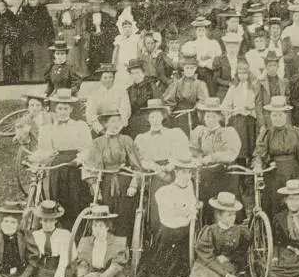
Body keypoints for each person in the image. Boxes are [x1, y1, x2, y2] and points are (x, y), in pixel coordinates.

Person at [81, 111, 144, 244]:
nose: (115, 125)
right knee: (105, 215)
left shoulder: (126, 140)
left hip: (125, 183)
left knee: (125, 216)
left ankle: (124, 247)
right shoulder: (98, 142)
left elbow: (137, 165)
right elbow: (91, 167)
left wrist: (134, 184)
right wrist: (94, 187)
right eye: (112, 121)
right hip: (105, 184)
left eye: (118, 121)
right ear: (105, 124)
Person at [34, 88, 92, 230]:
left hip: (74, 167)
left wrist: (78, 160)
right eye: (59, 108)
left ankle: (77, 233)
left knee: (76, 200)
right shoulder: (48, 129)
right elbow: (44, 150)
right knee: (58, 200)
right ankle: (60, 231)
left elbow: (89, 149)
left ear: (71, 109)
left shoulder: (80, 126)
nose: (62, 112)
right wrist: (37, 160)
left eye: (65, 108)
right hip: (57, 168)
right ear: (55, 109)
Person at [138, 154, 199, 277]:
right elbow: (167, 217)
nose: (187, 176)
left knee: (184, 235)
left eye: (189, 172)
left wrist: (189, 214)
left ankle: (180, 269)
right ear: (176, 172)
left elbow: (191, 208)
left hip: (186, 226)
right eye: (183, 172)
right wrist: (184, 216)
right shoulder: (165, 192)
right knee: (167, 234)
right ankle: (162, 272)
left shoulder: (190, 188)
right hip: (170, 226)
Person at [59, 205, 129, 277]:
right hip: (91, 275)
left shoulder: (117, 243)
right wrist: (82, 275)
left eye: (101, 226)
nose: (97, 229)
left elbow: (116, 266)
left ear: (107, 227)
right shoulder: (86, 242)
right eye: (95, 226)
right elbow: (83, 262)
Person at [183, 191, 251, 277]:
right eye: (229, 215)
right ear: (219, 215)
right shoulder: (210, 231)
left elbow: (242, 251)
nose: (233, 218)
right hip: (207, 264)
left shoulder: (240, 231)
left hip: (226, 265)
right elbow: (206, 258)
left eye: (234, 214)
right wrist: (225, 275)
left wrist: (229, 257)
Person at [252, 96, 299, 217]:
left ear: (286, 115)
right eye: (275, 115)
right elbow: (259, 154)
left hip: (293, 173)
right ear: (270, 116)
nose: (278, 118)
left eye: (281, 115)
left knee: (294, 203)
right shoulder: (267, 133)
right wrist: (258, 165)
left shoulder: (295, 132)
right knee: (275, 206)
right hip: (274, 175)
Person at [190, 97, 242, 225]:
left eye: (213, 116)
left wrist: (212, 157)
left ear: (219, 117)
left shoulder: (228, 132)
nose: (210, 120)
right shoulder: (200, 132)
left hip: (225, 173)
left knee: (227, 201)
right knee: (203, 197)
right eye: (207, 117)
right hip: (207, 173)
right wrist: (198, 159)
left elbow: (231, 153)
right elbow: (194, 150)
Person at [221, 60, 258, 216]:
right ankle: (240, 181)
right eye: (240, 72)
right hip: (237, 121)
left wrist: (251, 108)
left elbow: (258, 103)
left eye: (245, 71)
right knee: (239, 151)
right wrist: (231, 112)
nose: (243, 74)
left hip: (250, 121)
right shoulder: (234, 87)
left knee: (249, 149)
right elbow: (225, 105)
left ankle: (249, 180)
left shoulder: (253, 86)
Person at [134, 98, 191, 191]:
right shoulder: (142, 138)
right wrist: (153, 166)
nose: (155, 120)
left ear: (163, 116)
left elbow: (184, 153)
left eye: (158, 116)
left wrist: (172, 164)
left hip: (174, 172)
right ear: (147, 119)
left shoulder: (174, 133)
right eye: (152, 117)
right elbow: (140, 160)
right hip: (154, 174)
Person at [31, 201, 72, 277]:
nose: (48, 224)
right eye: (45, 221)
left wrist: (61, 269)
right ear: (40, 221)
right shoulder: (35, 235)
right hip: (43, 266)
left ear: (55, 221)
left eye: (51, 221)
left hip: (58, 265)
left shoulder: (64, 234)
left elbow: (66, 255)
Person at [162, 55, 209, 138]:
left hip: (194, 114)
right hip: (178, 115)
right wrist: (169, 110)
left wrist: (196, 107)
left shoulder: (200, 84)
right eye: (187, 68)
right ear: (183, 68)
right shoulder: (177, 84)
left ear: (195, 69)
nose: (189, 70)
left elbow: (204, 100)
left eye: (192, 68)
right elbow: (169, 100)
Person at [18, 0, 56, 83]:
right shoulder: (24, 11)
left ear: (37, 0)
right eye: (30, 0)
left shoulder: (43, 10)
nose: (32, 2)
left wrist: (49, 36)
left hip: (40, 38)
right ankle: (28, 79)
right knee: (28, 58)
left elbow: (48, 24)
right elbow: (21, 25)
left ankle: (42, 77)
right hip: (28, 39)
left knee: (41, 57)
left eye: (34, 0)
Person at [85, 63, 131, 135]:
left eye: (110, 77)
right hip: (101, 127)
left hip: (119, 127)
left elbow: (125, 111)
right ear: (100, 79)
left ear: (114, 78)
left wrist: (118, 128)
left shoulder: (122, 92)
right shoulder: (94, 94)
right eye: (105, 78)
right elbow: (90, 115)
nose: (108, 80)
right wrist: (101, 130)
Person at [184, 16, 222, 95]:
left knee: (209, 93)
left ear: (206, 30)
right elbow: (190, 60)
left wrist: (206, 63)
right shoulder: (191, 44)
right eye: (199, 30)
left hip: (209, 74)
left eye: (203, 30)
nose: (201, 32)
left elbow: (216, 59)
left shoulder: (213, 43)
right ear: (196, 31)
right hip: (196, 73)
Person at [54, 0, 88, 78]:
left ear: (71, 3)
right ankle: (65, 73)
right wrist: (60, 32)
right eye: (64, 2)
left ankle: (76, 72)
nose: (66, 4)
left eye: (68, 2)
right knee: (65, 52)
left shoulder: (75, 12)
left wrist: (77, 35)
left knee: (73, 53)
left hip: (72, 33)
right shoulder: (60, 13)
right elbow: (58, 24)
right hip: (64, 34)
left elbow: (78, 24)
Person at [85, 0, 119, 79]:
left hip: (104, 38)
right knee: (94, 56)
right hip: (93, 38)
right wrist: (92, 33)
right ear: (91, 6)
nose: (96, 6)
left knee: (106, 53)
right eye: (94, 5)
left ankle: (105, 73)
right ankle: (95, 74)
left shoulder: (106, 16)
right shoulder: (88, 16)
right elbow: (86, 28)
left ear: (100, 5)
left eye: (97, 4)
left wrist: (103, 33)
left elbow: (110, 28)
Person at [254, 50, 289, 131]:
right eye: (270, 65)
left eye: (274, 65)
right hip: (267, 119)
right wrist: (262, 124)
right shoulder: (261, 83)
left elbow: (287, 103)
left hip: (281, 119)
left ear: (278, 66)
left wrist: (287, 122)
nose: (272, 68)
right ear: (266, 67)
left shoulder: (284, 82)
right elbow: (258, 105)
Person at [123, 59, 158, 139]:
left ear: (143, 73)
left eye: (137, 73)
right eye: (133, 73)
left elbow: (158, 106)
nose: (135, 76)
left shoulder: (151, 86)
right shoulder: (129, 90)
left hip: (148, 121)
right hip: (132, 122)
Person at [281, 3, 299, 78]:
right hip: (290, 54)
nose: (297, 18)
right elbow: (283, 45)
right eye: (295, 16)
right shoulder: (288, 29)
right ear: (292, 17)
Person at [112, 19, 142, 90]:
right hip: (121, 65)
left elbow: (139, 51)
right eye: (125, 27)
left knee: (132, 82)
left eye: (129, 27)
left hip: (132, 64)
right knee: (120, 84)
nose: (127, 29)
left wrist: (136, 63)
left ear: (132, 28)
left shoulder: (136, 38)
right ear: (122, 29)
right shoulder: (119, 38)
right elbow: (115, 52)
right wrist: (113, 64)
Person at [215, 32, 243, 101]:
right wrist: (228, 83)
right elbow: (216, 78)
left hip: (239, 88)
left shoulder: (241, 60)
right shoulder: (220, 60)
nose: (232, 50)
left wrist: (238, 83)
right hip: (224, 90)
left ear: (238, 48)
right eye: (230, 47)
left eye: (234, 47)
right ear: (226, 47)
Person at [154, 29, 182, 96]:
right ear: (168, 44)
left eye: (176, 43)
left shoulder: (183, 56)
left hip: (181, 86)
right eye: (172, 43)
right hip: (165, 86)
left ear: (179, 44)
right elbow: (160, 74)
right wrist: (169, 82)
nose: (174, 45)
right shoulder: (162, 56)